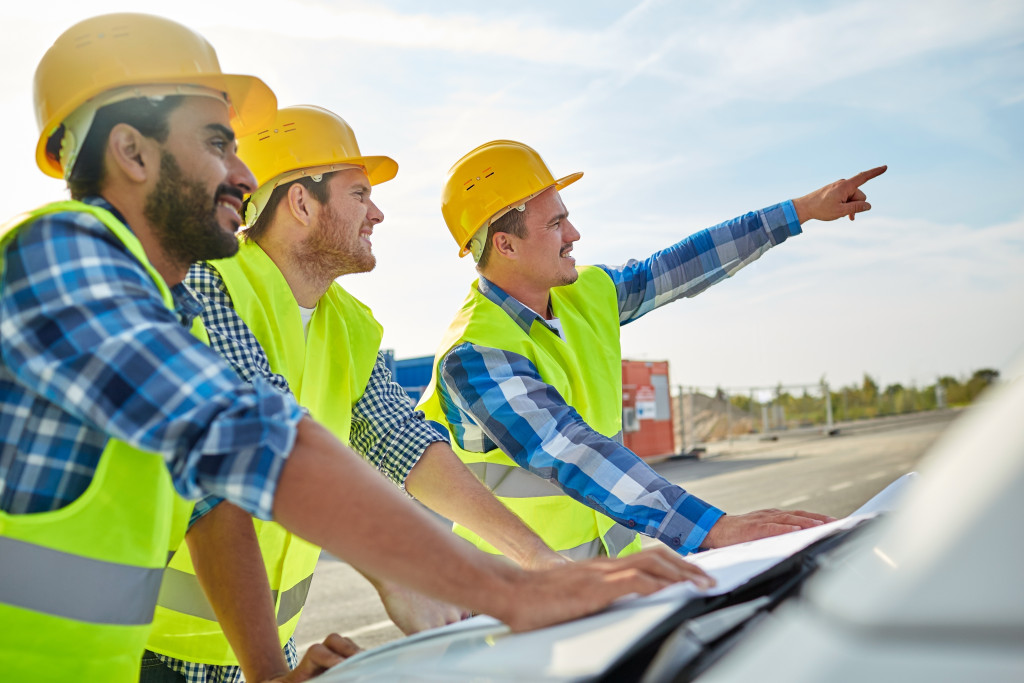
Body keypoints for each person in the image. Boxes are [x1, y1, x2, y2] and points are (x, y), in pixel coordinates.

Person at [0, 16, 714, 683]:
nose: (243, 178)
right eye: (219, 143)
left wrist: (266, 669)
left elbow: (223, 492)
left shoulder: (181, 305)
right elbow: (249, 441)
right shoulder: (59, 257)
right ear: (131, 151)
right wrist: (504, 586)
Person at [144, 104, 575, 681]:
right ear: (301, 202)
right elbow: (264, 450)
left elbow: (406, 442)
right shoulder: (209, 284)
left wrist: (535, 561)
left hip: (251, 651)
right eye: (359, 194)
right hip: (142, 651)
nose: (377, 213)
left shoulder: (347, 322)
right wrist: (407, 569)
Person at [420, 139, 885, 560]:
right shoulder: (476, 353)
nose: (574, 234)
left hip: (615, 579)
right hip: (520, 604)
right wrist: (713, 529)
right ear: (505, 244)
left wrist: (800, 210)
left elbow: (680, 266)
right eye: (556, 223)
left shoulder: (586, 293)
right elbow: (570, 451)